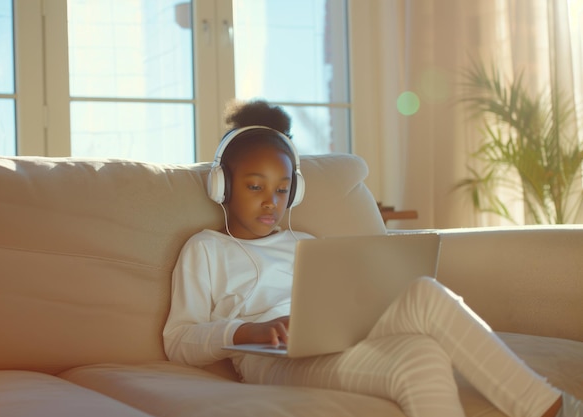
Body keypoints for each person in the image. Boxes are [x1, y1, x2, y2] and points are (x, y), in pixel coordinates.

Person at [163, 99, 581, 417]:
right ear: (223, 186)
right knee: (422, 336)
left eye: (282, 189)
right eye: (255, 187)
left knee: (422, 318)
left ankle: (550, 407)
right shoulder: (205, 248)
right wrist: (248, 332)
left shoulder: (306, 242)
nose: (271, 202)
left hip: (341, 338)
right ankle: (555, 409)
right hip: (270, 360)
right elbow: (178, 341)